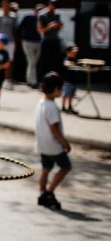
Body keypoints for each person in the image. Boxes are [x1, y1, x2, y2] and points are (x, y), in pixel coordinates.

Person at [35, 72, 72, 210]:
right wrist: (64, 143)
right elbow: (54, 128)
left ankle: (42, 193)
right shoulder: (52, 107)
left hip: (43, 144)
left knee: (46, 169)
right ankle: (49, 192)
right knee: (66, 167)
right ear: (56, 89)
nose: (61, 91)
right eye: (61, 88)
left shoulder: (41, 103)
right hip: (53, 146)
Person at [37, 0, 64, 84]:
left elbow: (59, 28)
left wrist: (59, 26)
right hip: (47, 41)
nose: (54, 8)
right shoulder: (42, 15)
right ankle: (42, 82)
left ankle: (54, 82)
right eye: (53, 5)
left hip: (55, 40)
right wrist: (50, 26)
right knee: (45, 63)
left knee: (55, 63)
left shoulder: (57, 15)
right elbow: (40, 30)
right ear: (49, 4)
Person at [0, 0, 17, 89]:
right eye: (4, 5)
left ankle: (7, 80)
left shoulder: (13, 16)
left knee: (9, 60)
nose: (5, 7)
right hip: (0, 42)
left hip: (10, 41)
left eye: (7, 5)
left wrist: (16, 41)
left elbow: (14, 30)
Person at [19, 4, 44, 88]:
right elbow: (20, 27)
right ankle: (33, 81)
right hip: (28, 42)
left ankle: (29, 79)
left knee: (33, 62)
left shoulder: (42, 19)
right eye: (38, 10)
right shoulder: (28, 18)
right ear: (34, 10)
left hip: (38, 42)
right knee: (32, 61)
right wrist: (23, 38)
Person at [61, 43, 79, 114]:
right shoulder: (67, 59)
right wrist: (72, 63)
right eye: (73, 52)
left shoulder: (75, 59)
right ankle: (63, 107)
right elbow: (66, 63)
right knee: (66, 94)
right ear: (68, 52)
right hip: (67, 81)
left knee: (71, 95)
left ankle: (70, 106)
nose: (75, 53)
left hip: (74, 80)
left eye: (75, 52)